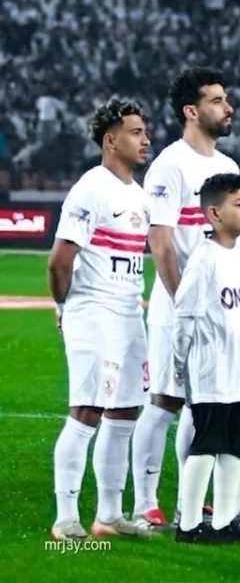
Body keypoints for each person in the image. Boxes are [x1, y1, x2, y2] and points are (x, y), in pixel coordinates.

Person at [132, 67, 238, 530]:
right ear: (191, 111)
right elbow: (161, 241)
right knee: (164, 400)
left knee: (203, 404)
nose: (228, 107)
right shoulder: (169, 166)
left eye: (225, 99)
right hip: (176, 308)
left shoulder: (228, 167)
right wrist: (182, 302)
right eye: (217, 100)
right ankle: (145, 502)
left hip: (219, 309)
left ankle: (187, 504)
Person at [49, 99, 156, 541]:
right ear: (111, 141)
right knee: (87, 409)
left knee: (125, 409)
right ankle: (65, 517)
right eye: (135, 132)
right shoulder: (91, 188)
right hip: (93, 310)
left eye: (145, 131)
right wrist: (65, 306)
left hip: (129, 312)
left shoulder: (139, 196)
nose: (146, 139)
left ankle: (109, 515)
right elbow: (60, 261)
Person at [172, 173, 240, 543]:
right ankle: (189, 525)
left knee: (236, 447)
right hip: (212, 369)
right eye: (239, 205)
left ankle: (224, 521)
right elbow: (184, 315)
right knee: (208, 443)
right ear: (214, 213)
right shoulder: (204, 259)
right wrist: (180, 362)